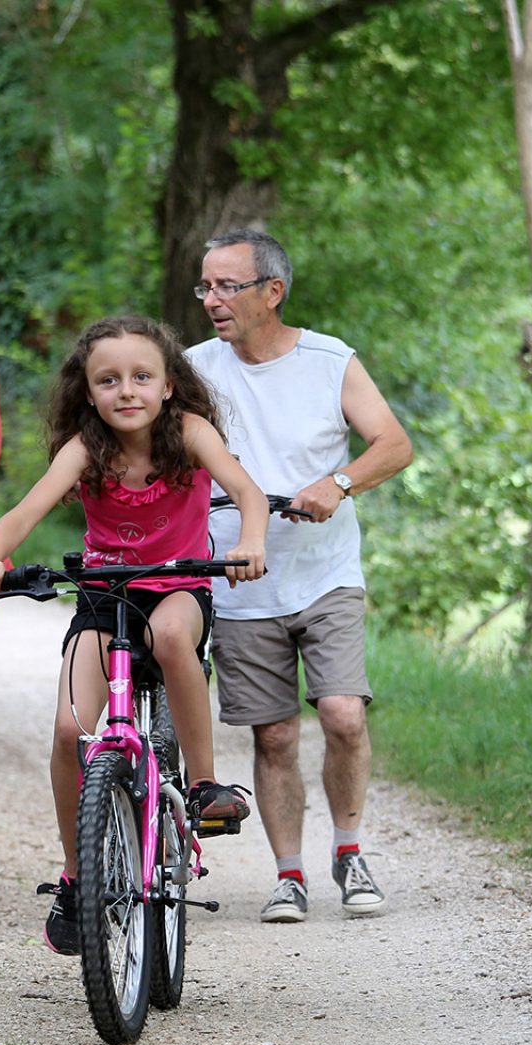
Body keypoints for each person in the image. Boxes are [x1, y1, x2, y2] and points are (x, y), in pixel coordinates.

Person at [0, 314, 269, 955]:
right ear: (89, 391)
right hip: (106, 597)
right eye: (109, 380)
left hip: (180, 586)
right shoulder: (84, 448)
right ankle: (79, 876)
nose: (125, 390)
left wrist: (251, 542)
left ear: (167, 386)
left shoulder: (188, 433)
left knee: (168, 636)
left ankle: (206, 783)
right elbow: (23, 511)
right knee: (70, 730)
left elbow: (247, 493)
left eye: (140, 377)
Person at [185, 228, 413, 923]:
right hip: (237, 576)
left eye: (227, 286)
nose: (212, 300)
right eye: (206, 286)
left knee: (343, 715)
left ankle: (349, 851)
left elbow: (395, 444)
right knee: (275, 734)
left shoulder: (328, 359)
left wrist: (338, 482)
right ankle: (289, 874)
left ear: (272, 292)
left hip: (325, 572)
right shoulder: (192, 369)